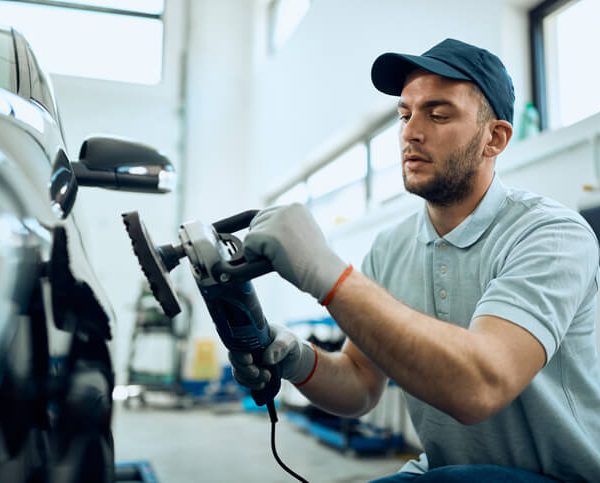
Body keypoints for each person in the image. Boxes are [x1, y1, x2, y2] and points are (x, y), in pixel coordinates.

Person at [230, 39, 600, 482]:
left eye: (438, 114)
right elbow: (360, 384)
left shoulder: (550, 234)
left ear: (494, 138)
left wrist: (326, 273)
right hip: (447, 470)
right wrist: (293, 358)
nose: (411, 131)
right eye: (405, 115)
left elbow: (481, 385)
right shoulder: (391, 247)